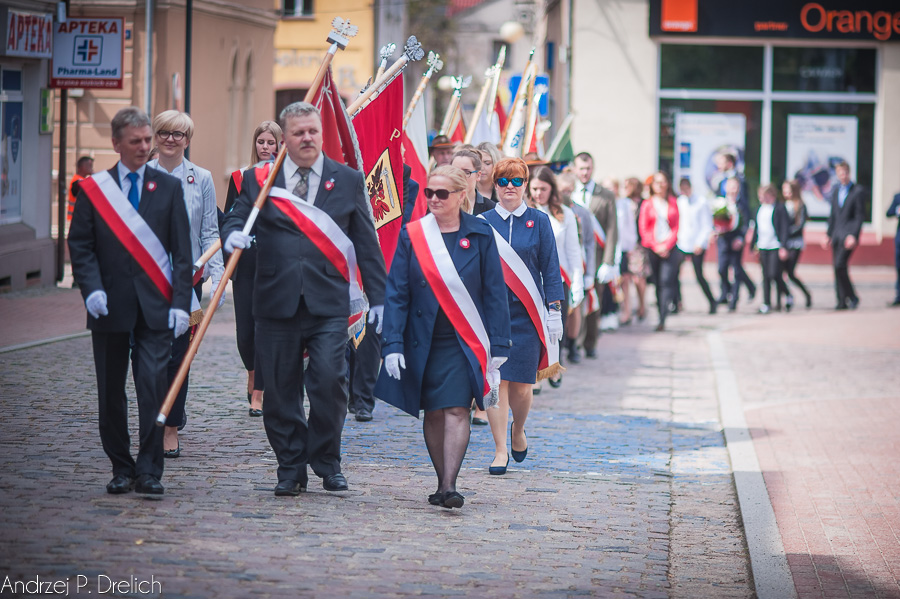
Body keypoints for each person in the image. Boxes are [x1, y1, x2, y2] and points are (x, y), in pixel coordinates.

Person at [221, 101, 387, 496]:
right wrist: (231, 237)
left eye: (313, 131)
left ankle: (327, 461)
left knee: (330, 382)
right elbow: (235, 216)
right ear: (285, 139)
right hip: (275, 300)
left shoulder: (346, 179)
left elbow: (365, 239)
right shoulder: (260, 179)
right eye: (298, 133)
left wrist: (379, 297)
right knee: (279, 391)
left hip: (328, 302)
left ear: (321, 133)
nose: (307, 138)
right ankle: (290, 466)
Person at [68, 106, 192, 496]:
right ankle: (121, 466)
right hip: (108, 305)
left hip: (156, 306)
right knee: (110, 390)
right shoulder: (93, 189)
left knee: (153, 386)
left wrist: (180, 304)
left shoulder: (169, 187)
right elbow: (81, 245)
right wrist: (92, 289)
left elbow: (182, 253)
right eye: (136, 141)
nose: (144, 147)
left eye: (146, 140)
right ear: (116, 143)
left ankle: (150, 468)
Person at [375, 165, 510, 508]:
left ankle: (450, 486)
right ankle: (440, 481)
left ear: (461, 195)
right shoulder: (413, 234)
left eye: (441, 193)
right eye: (429, 193)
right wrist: (391, 344)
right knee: (433, 412)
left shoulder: (480, 233)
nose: (433, 199)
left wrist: (499, 344)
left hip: (462, 340)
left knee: (456, 410)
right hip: (423, 337)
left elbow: (495, 291)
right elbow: (397, 293)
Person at [147, 110, 224, 458]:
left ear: (188, 140)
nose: (171, 139)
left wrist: (219, 275)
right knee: (149, 355)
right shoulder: (141, 175)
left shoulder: (202, 178)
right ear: (155, 136)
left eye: (178, 134)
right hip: (146, 279)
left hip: (186, 282)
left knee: (179, 357)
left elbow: (210, 231)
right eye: (164, 132)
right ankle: (152, 418)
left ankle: (171, 427)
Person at [481, 158, 564, 475]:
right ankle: (500, 448)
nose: (509, 188)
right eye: (503, 181)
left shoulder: (539, 222)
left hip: (528, 314)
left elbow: (550, 270)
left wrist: (553, 310)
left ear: (526, 185)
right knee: (495, 383)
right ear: (495, 185)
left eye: (516, 181)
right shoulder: (484, 221)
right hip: (494, 316)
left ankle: (518, 429)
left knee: (522, 388)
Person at [223, 120, 282, 417]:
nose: (266, 147)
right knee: (245, 329)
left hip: (276, 262)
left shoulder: (286, 178)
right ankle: (251, 372)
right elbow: (230, 219)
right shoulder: (240, 178)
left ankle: (260, 389)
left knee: (266, 326)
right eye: (261, 142)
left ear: (280, 145)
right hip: (246, 263)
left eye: (271, 142)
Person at [529, 166, 583, 386]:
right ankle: (536, 375)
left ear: (552, 188)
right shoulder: (524, 211)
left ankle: (554, 366)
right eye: (534, 188)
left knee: (555, 327)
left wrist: (578, 280)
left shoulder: (564, 213)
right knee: (533, 330)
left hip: (558, 280)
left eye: (543, 188)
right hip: (531, 281)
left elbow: (573, 250)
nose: (538, 193)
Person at [572, 152, 617, 358]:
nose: (584, 172)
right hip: (573, 253)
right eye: (581, 168)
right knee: (575, 299)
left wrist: (608, 262)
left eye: (588, 168)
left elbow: (611, 229)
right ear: (574, 169)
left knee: (593, 300)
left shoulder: (605, 195)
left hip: (596, 257)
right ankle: (574, 343)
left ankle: (590, 342)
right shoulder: (567, 191)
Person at [557, 171, 595, 362]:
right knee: (561, 310)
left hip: (576, 262)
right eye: (562, 190)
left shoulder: (581, 212)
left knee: (576, 307)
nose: (566, 193)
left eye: (569, 190)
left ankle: (573, 346)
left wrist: (590, 271)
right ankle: (560, 348)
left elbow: (589, 241)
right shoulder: (553, 210)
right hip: (559, 262)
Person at [638, 172, 679, 331]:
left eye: (663, 182)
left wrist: (667, 245)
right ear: (652, 186)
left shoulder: (673, 202)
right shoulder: (647, 204)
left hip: (670, 248)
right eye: (657, 182)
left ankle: (663, 315)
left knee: (666, 280)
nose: (661, 185)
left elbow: (676, 227)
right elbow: (644, 228)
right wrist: (656, 246)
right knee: (656, 282)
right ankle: (660, 312)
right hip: (653, 248)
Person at [825, 161, 866, 310]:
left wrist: (853, 235)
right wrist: (828, 234)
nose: (842, 175)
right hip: (836, 235)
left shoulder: (857, 191)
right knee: (836, 268)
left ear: (849, 173)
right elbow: (833, 215)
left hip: (848, 236)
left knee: (840, 265)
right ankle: (842, 300)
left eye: (845, 172)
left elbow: (859, 216)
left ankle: (852, 296)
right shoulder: (836, 190)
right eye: (839, 172)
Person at [675, 178, 716, 314]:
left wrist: (700, 242)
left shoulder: (701, 202)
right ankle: (677, 302)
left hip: (696, 243)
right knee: (674, 274)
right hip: (682, 242)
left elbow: (706, 224)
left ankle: (712, 301)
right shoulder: (679, 202)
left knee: (698, 274)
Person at [714, 177, 756, 311]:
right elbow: (714, 218)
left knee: (737, 270)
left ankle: (734, 299)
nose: (732, 189)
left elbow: (746, 223)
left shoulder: (742, 204)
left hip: (736, 240)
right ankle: (728, 291)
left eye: (735, 186)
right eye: (730, 186)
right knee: (721, 268)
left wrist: (741, 238)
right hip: (723, 239)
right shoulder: (720, 202)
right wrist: (715, 230)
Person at [751, 184, 791, 314]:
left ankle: (787, 294)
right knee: (765, 276)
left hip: (775, 245)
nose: (761, 198)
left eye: (764, 196)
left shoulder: (779, 208)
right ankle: (766, 303)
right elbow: (757, 228)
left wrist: (783, 246)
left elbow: (785, 228)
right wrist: (754, 244)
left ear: (771, 195)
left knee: (774, 274)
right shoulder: (760, 209)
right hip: (763, 245)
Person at [781, 180, 812, 309]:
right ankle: (787, 297)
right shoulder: (782, 205)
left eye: (789, 190)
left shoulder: (800, 206)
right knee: (778, 273)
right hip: (783, 243)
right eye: (784, 190)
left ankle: (806, 294)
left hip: (795, 243)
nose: (786, 193)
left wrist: (787, 233)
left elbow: (800, 225)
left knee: (790, 273)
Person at [621, 177, 648, 323]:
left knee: (638, 278)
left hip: (639, 245)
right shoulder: (623, 202)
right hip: (625, 245)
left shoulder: (644, 203)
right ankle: (627, 310)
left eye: (627, 186)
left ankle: (642, 305)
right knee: (625, 279)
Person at [451, 148, 496, 215]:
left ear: (478, 175)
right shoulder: (441, 204)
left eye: (466, 172)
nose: (459, 176)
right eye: (455, 171)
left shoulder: (490, 208)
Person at [67, 156, 94, 225]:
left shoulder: (81, 180)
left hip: (78, 218)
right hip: (76, 219)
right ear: (82, 167)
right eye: (89, 165)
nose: (91, 168)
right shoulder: (77, 181)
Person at [888, 190, 900, 306]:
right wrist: (897, 211)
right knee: (899, 267)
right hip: (899, 239)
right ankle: (898, 296)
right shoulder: (898, 197)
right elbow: (889, 213)